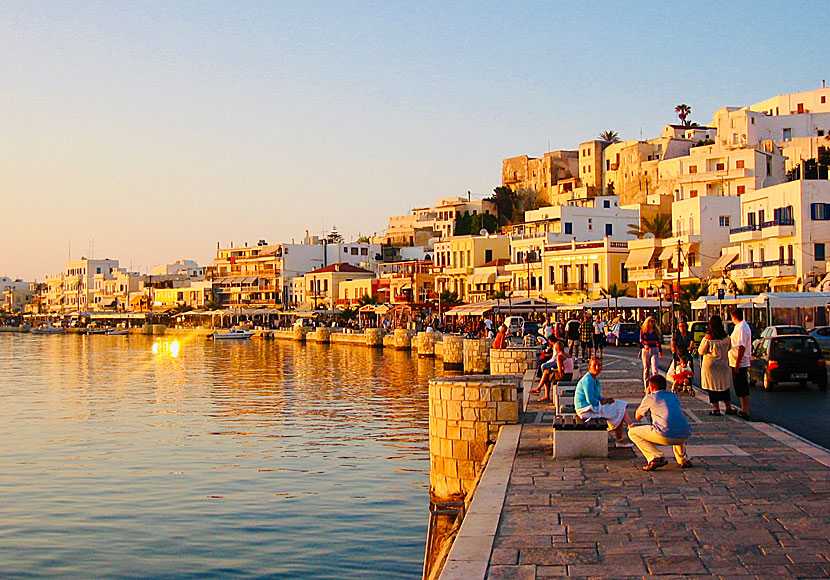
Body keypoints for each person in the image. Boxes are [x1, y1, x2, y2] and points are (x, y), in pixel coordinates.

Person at [629, 374, 693, 471]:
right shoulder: (674, 396)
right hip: (684, 435)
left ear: (651, 387)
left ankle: (655, 456)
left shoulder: (651, 397)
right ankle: (682, 459)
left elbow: (638, 416)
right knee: (675, 423)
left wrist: (647, 396)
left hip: (665, 435)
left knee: (632, 432)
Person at [574, 357, 634, 447]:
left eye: (600, 365)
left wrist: (606, 400)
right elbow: (590, 399)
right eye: (595, 365)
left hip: (592, 406)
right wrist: (603, 402)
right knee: (619, 408)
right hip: (585, 409)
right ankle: (630, 427)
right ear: (589, 367)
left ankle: (624, 433)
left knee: (618, 405)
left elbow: (597, 396)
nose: (598, 367)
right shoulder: (588, 380)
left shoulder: (595, 379)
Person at [698, 315, 734, 415]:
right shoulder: (725, 337)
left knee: (712, 386)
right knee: (724, 386)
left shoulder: (708, 337)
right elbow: (729, 347)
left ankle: (716, 408)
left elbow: (701, 351)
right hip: (723, 364)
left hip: (711, 365)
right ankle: (728, 407)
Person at [729, 308, 752, 420]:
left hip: (740, 363)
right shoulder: (739, 327)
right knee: (739, 388)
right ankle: (743, 409)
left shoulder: (742, 328)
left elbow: (741, 347)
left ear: (734, 317)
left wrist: (737, 364)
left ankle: (746, 410)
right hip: (735, 361)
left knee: (742, 387)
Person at [640, 316, 662, 391]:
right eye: (651, 321)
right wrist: (644, 344)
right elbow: (641, 340)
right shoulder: (643, 330)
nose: (652, 323)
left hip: (654, 349)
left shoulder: (656, 331)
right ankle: (646, 387)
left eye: (653, 321)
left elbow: (658, 341)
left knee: (655, 369)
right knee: (646, 368)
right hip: (646, 350)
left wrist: (660, 351)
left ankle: (655, 387)